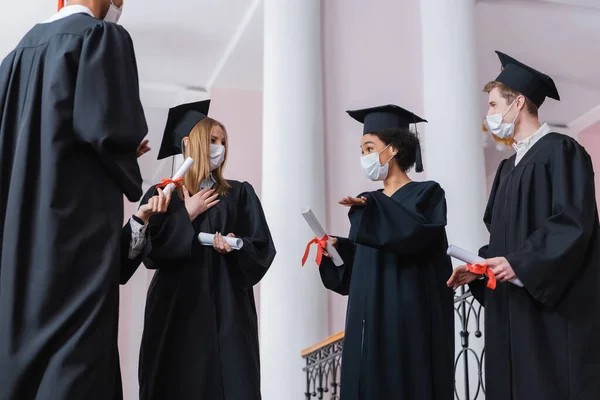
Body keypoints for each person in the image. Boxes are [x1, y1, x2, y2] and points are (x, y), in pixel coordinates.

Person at [0, 0, 147, 399]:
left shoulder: (13, 61)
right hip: (72, 249)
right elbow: (107, 130)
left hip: (16, 257)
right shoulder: (100, 38)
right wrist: (124, 159)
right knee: (74, 369)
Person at [447, 51, 600, 400]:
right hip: (511, 308)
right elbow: (500, 240)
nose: (489, 115)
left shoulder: (562, 151)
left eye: (493, 104)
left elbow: (573, 223)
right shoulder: (507, 168)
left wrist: (520, 263)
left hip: (550, 313)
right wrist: (481, 267)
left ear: (518, 103)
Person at [123, 100, 276, 400]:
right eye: (212, 140)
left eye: (223, 142)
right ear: (188, 144)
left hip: (226, 308)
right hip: (175, 307)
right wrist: (186, 214)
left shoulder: (238, 193)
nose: (219, 147)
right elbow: (151, 254)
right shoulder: (161, 194)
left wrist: (235, 245)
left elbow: (261, 248)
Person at [319, 104, 454, 400]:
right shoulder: (370, 205)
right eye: (361, 149)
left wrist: (372, 207)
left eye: (369, 147)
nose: (364, 157)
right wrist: (337, 249)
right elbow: (361, 266)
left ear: (392, 150)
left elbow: (413, 235)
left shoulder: (427, 194)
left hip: (406, 321)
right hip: (368, 322)